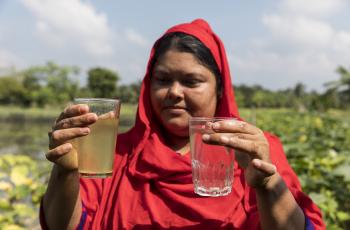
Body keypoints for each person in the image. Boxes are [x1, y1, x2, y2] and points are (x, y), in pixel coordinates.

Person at [41, 19, 325, 229]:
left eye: (191, 81)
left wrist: (267, 183)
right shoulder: (114, 154)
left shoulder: (254, 152)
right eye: (163, 80)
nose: (174, 92)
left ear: (220, 90)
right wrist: (65, 172)